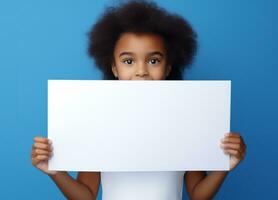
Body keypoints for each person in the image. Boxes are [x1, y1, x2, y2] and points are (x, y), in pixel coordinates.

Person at [31, 1, 247, 199]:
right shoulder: (98, 121)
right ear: (114, 67)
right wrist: (55, 172)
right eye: (128, 61)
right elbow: (87, 194)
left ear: (168, 66)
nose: (141, 71)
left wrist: (224, 166)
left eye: (153, 60)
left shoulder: (184, 120)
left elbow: (198, 194)